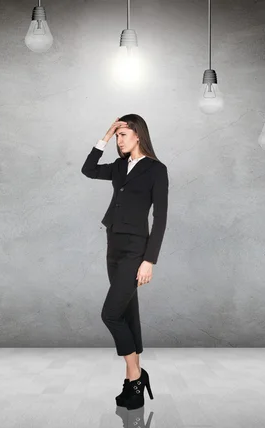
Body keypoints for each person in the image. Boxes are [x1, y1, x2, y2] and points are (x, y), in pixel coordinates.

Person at [81, 114, 168, 410]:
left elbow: (161, 218)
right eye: (117, 136)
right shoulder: (119, 166)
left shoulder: (156, 170)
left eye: (123, 135)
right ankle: (134, 382)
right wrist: (104, 135)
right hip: (114, 246)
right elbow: (88, 169)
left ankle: (135, 374)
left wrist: (149, 260)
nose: (119, 140)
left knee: (110, 314)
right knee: (128, 313)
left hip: (135, 251)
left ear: (138, 136)